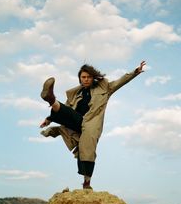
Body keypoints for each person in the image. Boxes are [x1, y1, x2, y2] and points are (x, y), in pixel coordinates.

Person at [40, 61, 146, 190]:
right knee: (62, 108)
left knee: (86, 151)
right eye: (83, 77)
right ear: (79, 78)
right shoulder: (76, 94)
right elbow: (65, 111)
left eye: (88, 77)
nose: (86, 79)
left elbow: (121, 81)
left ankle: (86, 183)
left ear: (93, 77)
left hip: (91, 123)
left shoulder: (104, 88)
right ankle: (50, 98)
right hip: (76, 121)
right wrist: (49, 118)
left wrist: (135, 72)